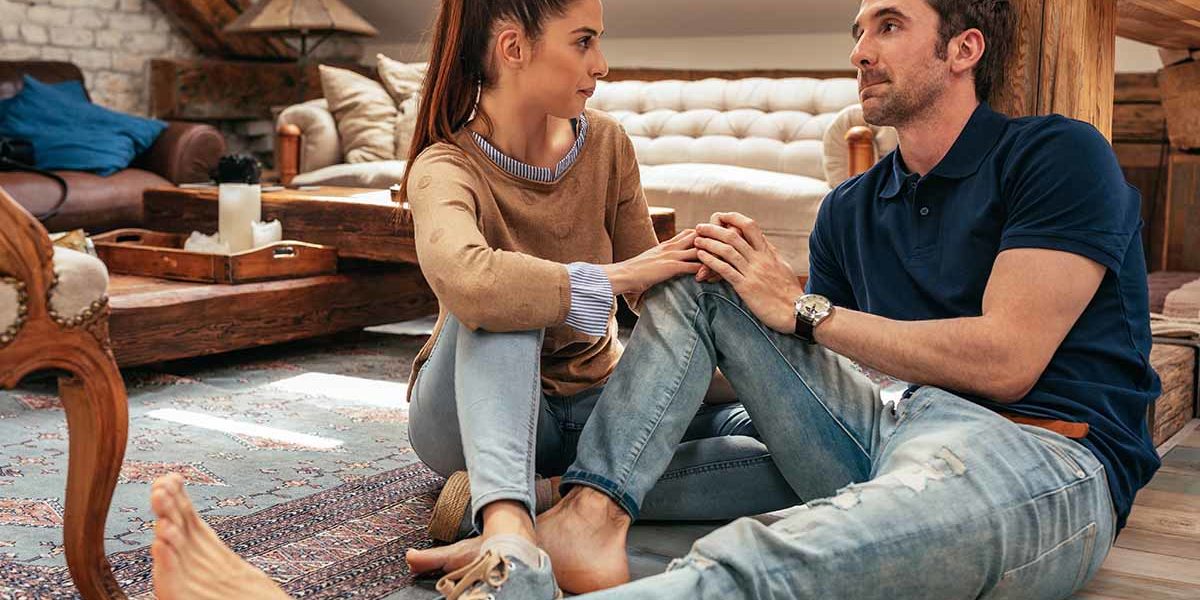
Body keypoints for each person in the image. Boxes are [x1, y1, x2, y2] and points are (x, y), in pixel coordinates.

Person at [147, 0, 803, 599]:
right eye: (583, 42)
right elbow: (472, 281)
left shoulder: (605, 144)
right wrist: (617, 277)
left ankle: (551, 501)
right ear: (514, 49)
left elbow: (652, 305)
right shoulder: (444, 164)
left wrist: (747, 338)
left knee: (783, 451)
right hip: (468, 405)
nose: (602, 65)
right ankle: (509, 530)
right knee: (500, 296)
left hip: (598, 405)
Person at [529, 0, 1161, 597]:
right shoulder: (849, 209)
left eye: (888, 26)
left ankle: (536, 495)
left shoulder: (1058, 154)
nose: (861, 51)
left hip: (1041, 451)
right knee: (709, 274)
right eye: (858, 32)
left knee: (779, 560)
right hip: (888, 423)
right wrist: (661, 369)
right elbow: (821, 362)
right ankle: (587, 508)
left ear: (963, 49)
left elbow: (1006, 361)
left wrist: (804, 310)